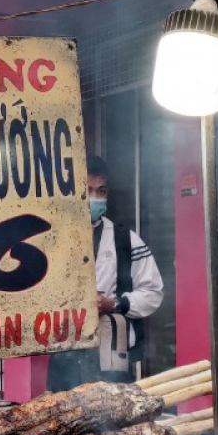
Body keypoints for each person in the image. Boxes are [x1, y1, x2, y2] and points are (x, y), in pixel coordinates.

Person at [46, 155, 165, 392]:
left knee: (114, 422)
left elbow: (153, 293)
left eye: (101, 191)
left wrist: (115, 303)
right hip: (65, 356)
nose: (95, 198)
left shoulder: (125, 240)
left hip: (111, 359)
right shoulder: (51, 239)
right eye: (88, 190)